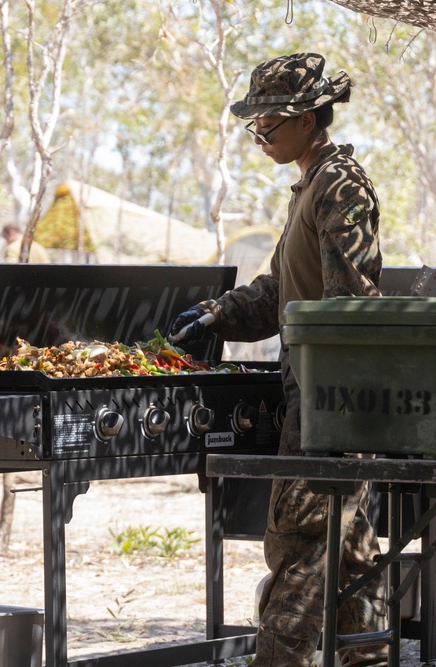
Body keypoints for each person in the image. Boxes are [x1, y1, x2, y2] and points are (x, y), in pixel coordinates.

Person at [167, 53, 386, 667]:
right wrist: (218, 314)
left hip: (329, 396)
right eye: (254, 126)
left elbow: (351, 302)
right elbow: (284, 289)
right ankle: (366, 657)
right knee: (350, 548)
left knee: (302, 537)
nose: (260, 136)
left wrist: (332, 413)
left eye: (270, 123)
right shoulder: (310, 185)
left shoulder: (341, 183)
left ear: (311, 120)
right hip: (319, 392)